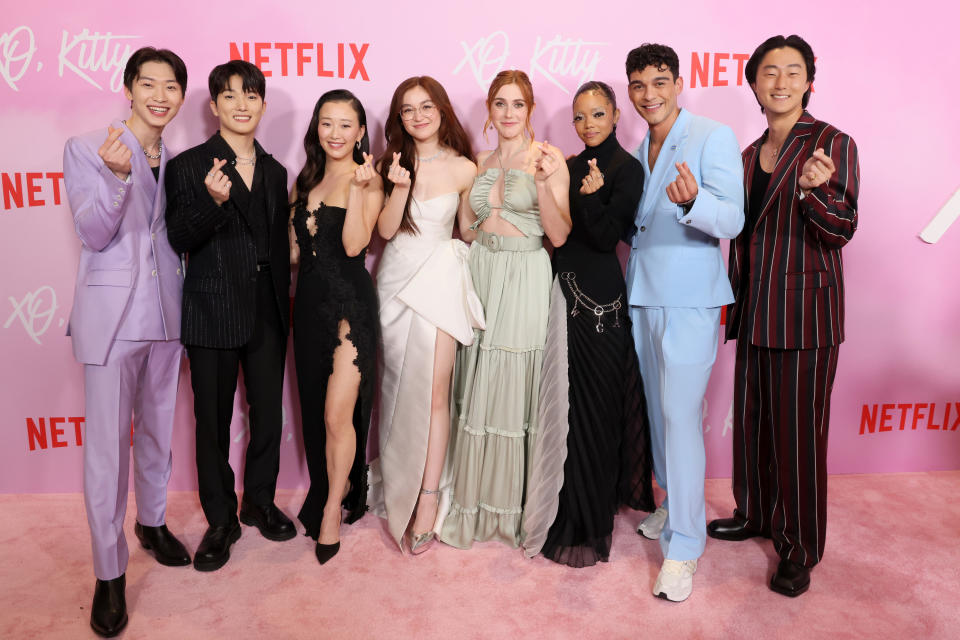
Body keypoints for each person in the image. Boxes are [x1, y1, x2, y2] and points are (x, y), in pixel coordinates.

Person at [708, 35, 859, 598]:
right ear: (753, 83)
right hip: (753, 311)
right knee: (753, 427)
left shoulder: (831, 143)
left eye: (793, 72)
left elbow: (841, 230)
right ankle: (755, 515)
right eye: (769, 72)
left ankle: (800, 548)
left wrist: (815, 192)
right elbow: (742, 236)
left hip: (806, 315)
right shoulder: (747, 156)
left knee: (798, 438)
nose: (780, 82)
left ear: (809, 81)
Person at [63, 46, 190, 637]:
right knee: (107, 453)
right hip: (112, 321)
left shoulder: (181, 159)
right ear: (128, 87)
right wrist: (116, 179)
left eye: (171, 87)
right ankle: (109, 574)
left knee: (159, 433)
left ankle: (153, 522)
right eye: (149, 84)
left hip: (167, 317)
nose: (160, 96)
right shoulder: (89, 146)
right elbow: (91, 233)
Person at [624, 43, 744, 601]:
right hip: (644, 295)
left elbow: (734, 217)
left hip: (692, 299)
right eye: (639, 85)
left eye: (660, 82)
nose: (650, 94)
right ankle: (673, 500)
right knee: (657, 410)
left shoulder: (711, 134)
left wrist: (695, 202)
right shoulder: (636, 143)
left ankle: (685, 547)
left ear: (678, 82)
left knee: (679, 414)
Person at [165, 60, 295, 572]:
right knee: (212, 420)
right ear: (214, 105)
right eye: (231, 96)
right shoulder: (188, 165)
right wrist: (214, 203)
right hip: (212, 308)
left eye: (252, 96)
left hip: (266, 307)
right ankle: (221, 519)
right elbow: (179, 238)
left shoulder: (276, 170)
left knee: (268, 413)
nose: (242, 105)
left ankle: (258, 501)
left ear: (262, 104)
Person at [522, 81, 655, 567]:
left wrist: (595, 199)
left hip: (601, 304)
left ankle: (591, 519)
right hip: (561, 295)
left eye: (597, 114)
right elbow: (557, 235)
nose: (588, 124)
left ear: (616, 115)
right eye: (580, 117)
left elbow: (604, 239)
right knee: (567, 410)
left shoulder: (627, 169)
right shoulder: (571, 166)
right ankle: (562, 504)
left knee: (596, 411)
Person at [440, 70, 571, 549]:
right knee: (476, 377)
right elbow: (467, 228)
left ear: (531, 110)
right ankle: (469, 502)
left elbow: (557, 235)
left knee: (513, 384)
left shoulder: (550, 160)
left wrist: (538, 187)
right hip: (482, 270)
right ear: (490, 111)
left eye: (518, 104)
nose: (509, 113)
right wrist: (480, 236)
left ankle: (509, 508)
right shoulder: (479, 160)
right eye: (501, 104)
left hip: (525, 275)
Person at [367, 76, 484, 554]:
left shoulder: (464, 168)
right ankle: (400, 480)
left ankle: (429, 498)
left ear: (441, 110)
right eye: (407, 109)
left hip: (439, 280)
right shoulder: (390, 162)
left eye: (426, 106)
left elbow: (469, 234)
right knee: (395, 388)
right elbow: (387, 231)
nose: (417, 116)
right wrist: (397, 186)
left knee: (436, 392)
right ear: (399, 118)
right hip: (394, 283)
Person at [289, 90, 383, 564]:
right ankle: (333, 482)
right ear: (316, 127)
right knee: (314, 414)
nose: (336, 134)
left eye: (346, 125)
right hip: (307, 309)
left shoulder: (370, 178)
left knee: (335, 416)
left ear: (361, 131)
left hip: (350, 309)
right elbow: (294, 253)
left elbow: (351, 247)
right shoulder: (306, 179)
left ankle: (332, 509)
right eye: (327, 123)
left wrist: (363, 191)